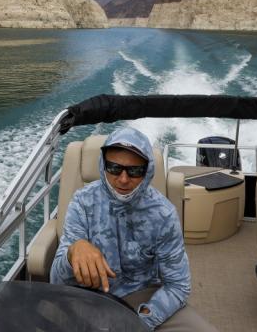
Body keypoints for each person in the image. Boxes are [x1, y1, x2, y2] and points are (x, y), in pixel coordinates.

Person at [49, 126, 217, 332]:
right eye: (114, 168)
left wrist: (142, 320)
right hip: (88, 297)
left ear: (147, 172)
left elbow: (178, 286)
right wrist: (72, 251)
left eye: (135, 171)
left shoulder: (164, 214)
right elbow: (56, 279)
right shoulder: (82, 202)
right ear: (103, 165)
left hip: (142, 296)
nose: (123, 179)